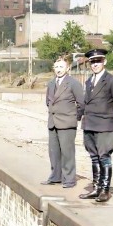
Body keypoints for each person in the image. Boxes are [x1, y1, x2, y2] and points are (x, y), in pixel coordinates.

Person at [79, 48, 113, 203]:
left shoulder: (112, 81)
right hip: (89, 124)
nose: (95, 64)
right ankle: (96, 188)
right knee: (94, 157)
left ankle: (105, 190)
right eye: (92, 62)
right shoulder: (88, 82)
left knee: (104, 157)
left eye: (98, 61)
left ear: (104, 62)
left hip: (104, 125)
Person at [41, 55, 84, 188]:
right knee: (53, 151)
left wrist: (74, 117)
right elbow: (48, 101)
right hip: (53, 122)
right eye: (57, 67)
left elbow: (81, 103)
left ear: (68, 68)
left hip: (67, 122)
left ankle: (69, 179)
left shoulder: (73, 83)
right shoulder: (51, 83)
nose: (59, 70)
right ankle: (55, 176)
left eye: (61, 67)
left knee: (67, 152)